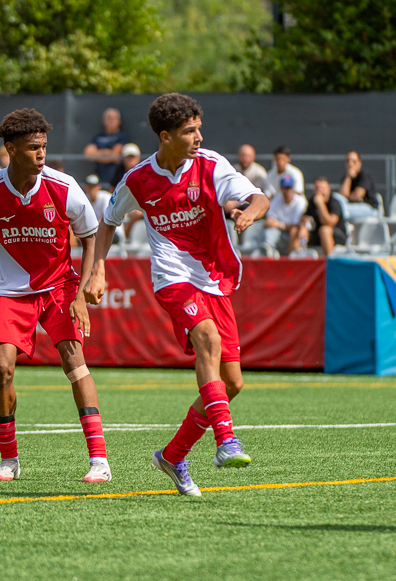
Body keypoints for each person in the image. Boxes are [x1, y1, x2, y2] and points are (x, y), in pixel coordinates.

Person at [84, 93, 270, 497]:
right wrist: (98, 269)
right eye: (190, 131)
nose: (199, 137)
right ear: (165, 136)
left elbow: (259, 197)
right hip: (171, 278)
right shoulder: (137, 179)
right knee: (207, 339)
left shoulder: (211, 165)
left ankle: (172, 456)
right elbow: (108, 221)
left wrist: (248, 213)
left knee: (232, 383)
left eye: (199, 128)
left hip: (215, 278)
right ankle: (226, 440)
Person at [0, 108, 110, 484]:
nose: (41, 153)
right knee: (2, 369)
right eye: (32, 147)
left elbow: (90, 237)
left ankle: (99, 460)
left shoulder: (64, 186)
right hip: (10, 293)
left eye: (44, 146)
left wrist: (81, 294)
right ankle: (9, 459)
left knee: (74, 360)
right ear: (11, 149)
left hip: (60, 286)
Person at [84, 108, 130, 186]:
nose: (111, 121)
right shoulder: (98, 137)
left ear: (119, 121)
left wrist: (97, 154)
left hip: (116, 179)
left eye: (114, 118)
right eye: (109, 118)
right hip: (99, 178)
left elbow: (115, 155)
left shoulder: (122, 136)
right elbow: (88, 153)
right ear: (104, 120)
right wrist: (109, 153)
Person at [301, 177, 347, 256]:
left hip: (336, 234)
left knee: (324, 230)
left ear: (328, 190)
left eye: (322, 188)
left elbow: (330, 222)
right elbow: (305, 217)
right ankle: (295, 259)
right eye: (317, 188)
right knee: (296, 231)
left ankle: (328, 260)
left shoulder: (334, 203)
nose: (320, 191)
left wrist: (320, 204)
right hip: (319, 234)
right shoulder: (312, 201)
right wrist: (303, 228)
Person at [263, 175, 307, 255]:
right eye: (285, 188)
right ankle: (268, 250)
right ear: (281, 188)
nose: (288, 190)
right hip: (280, 233)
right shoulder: (276, 200)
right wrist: (275, 224)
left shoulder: (300, 202)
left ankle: (293, 257)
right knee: (271, 229)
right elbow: (269, 220)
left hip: (297, 232)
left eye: (289, 187)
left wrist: (280, 225)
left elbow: (298, 225)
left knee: (294, 230)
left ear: (293, 188)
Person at [338, 150, 379, 220]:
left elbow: (357, 196)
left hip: (369, 207)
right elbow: (342, 196)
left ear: (359, 163)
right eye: (348, 161)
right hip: (352, 206)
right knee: (338, 207)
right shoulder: (345, 178)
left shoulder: (364, 176)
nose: (350, 164)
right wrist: (348, 177)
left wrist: (349, 196)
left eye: (353, 161)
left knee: (342, 210)